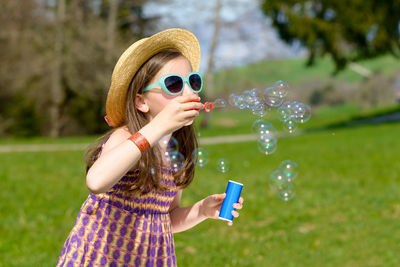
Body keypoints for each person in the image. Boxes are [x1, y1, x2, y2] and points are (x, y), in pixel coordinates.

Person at [56, 28, 244, 267]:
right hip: (103, 257)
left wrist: (201, 210)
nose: (189, 92)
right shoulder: (126, 137)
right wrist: (159, 126)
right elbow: (96, 181)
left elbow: (166, 218)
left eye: (193, 81)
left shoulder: (177, 150)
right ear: (141, 101)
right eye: (174, 84)